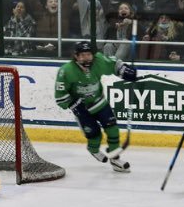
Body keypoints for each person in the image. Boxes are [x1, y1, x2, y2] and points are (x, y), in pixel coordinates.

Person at [54, 41, 138, 172]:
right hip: (81, 107)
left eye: (88, 54)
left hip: (99, 102)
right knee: (94, 135)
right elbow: (60, 96)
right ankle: (93, 149)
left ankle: (115, 159)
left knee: (112, 128)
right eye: (82, 55)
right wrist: (74, 106)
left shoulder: (98, 61)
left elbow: (114, 63)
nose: (86, 58)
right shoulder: (66, 71)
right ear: (76, 56)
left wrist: (125, 71)